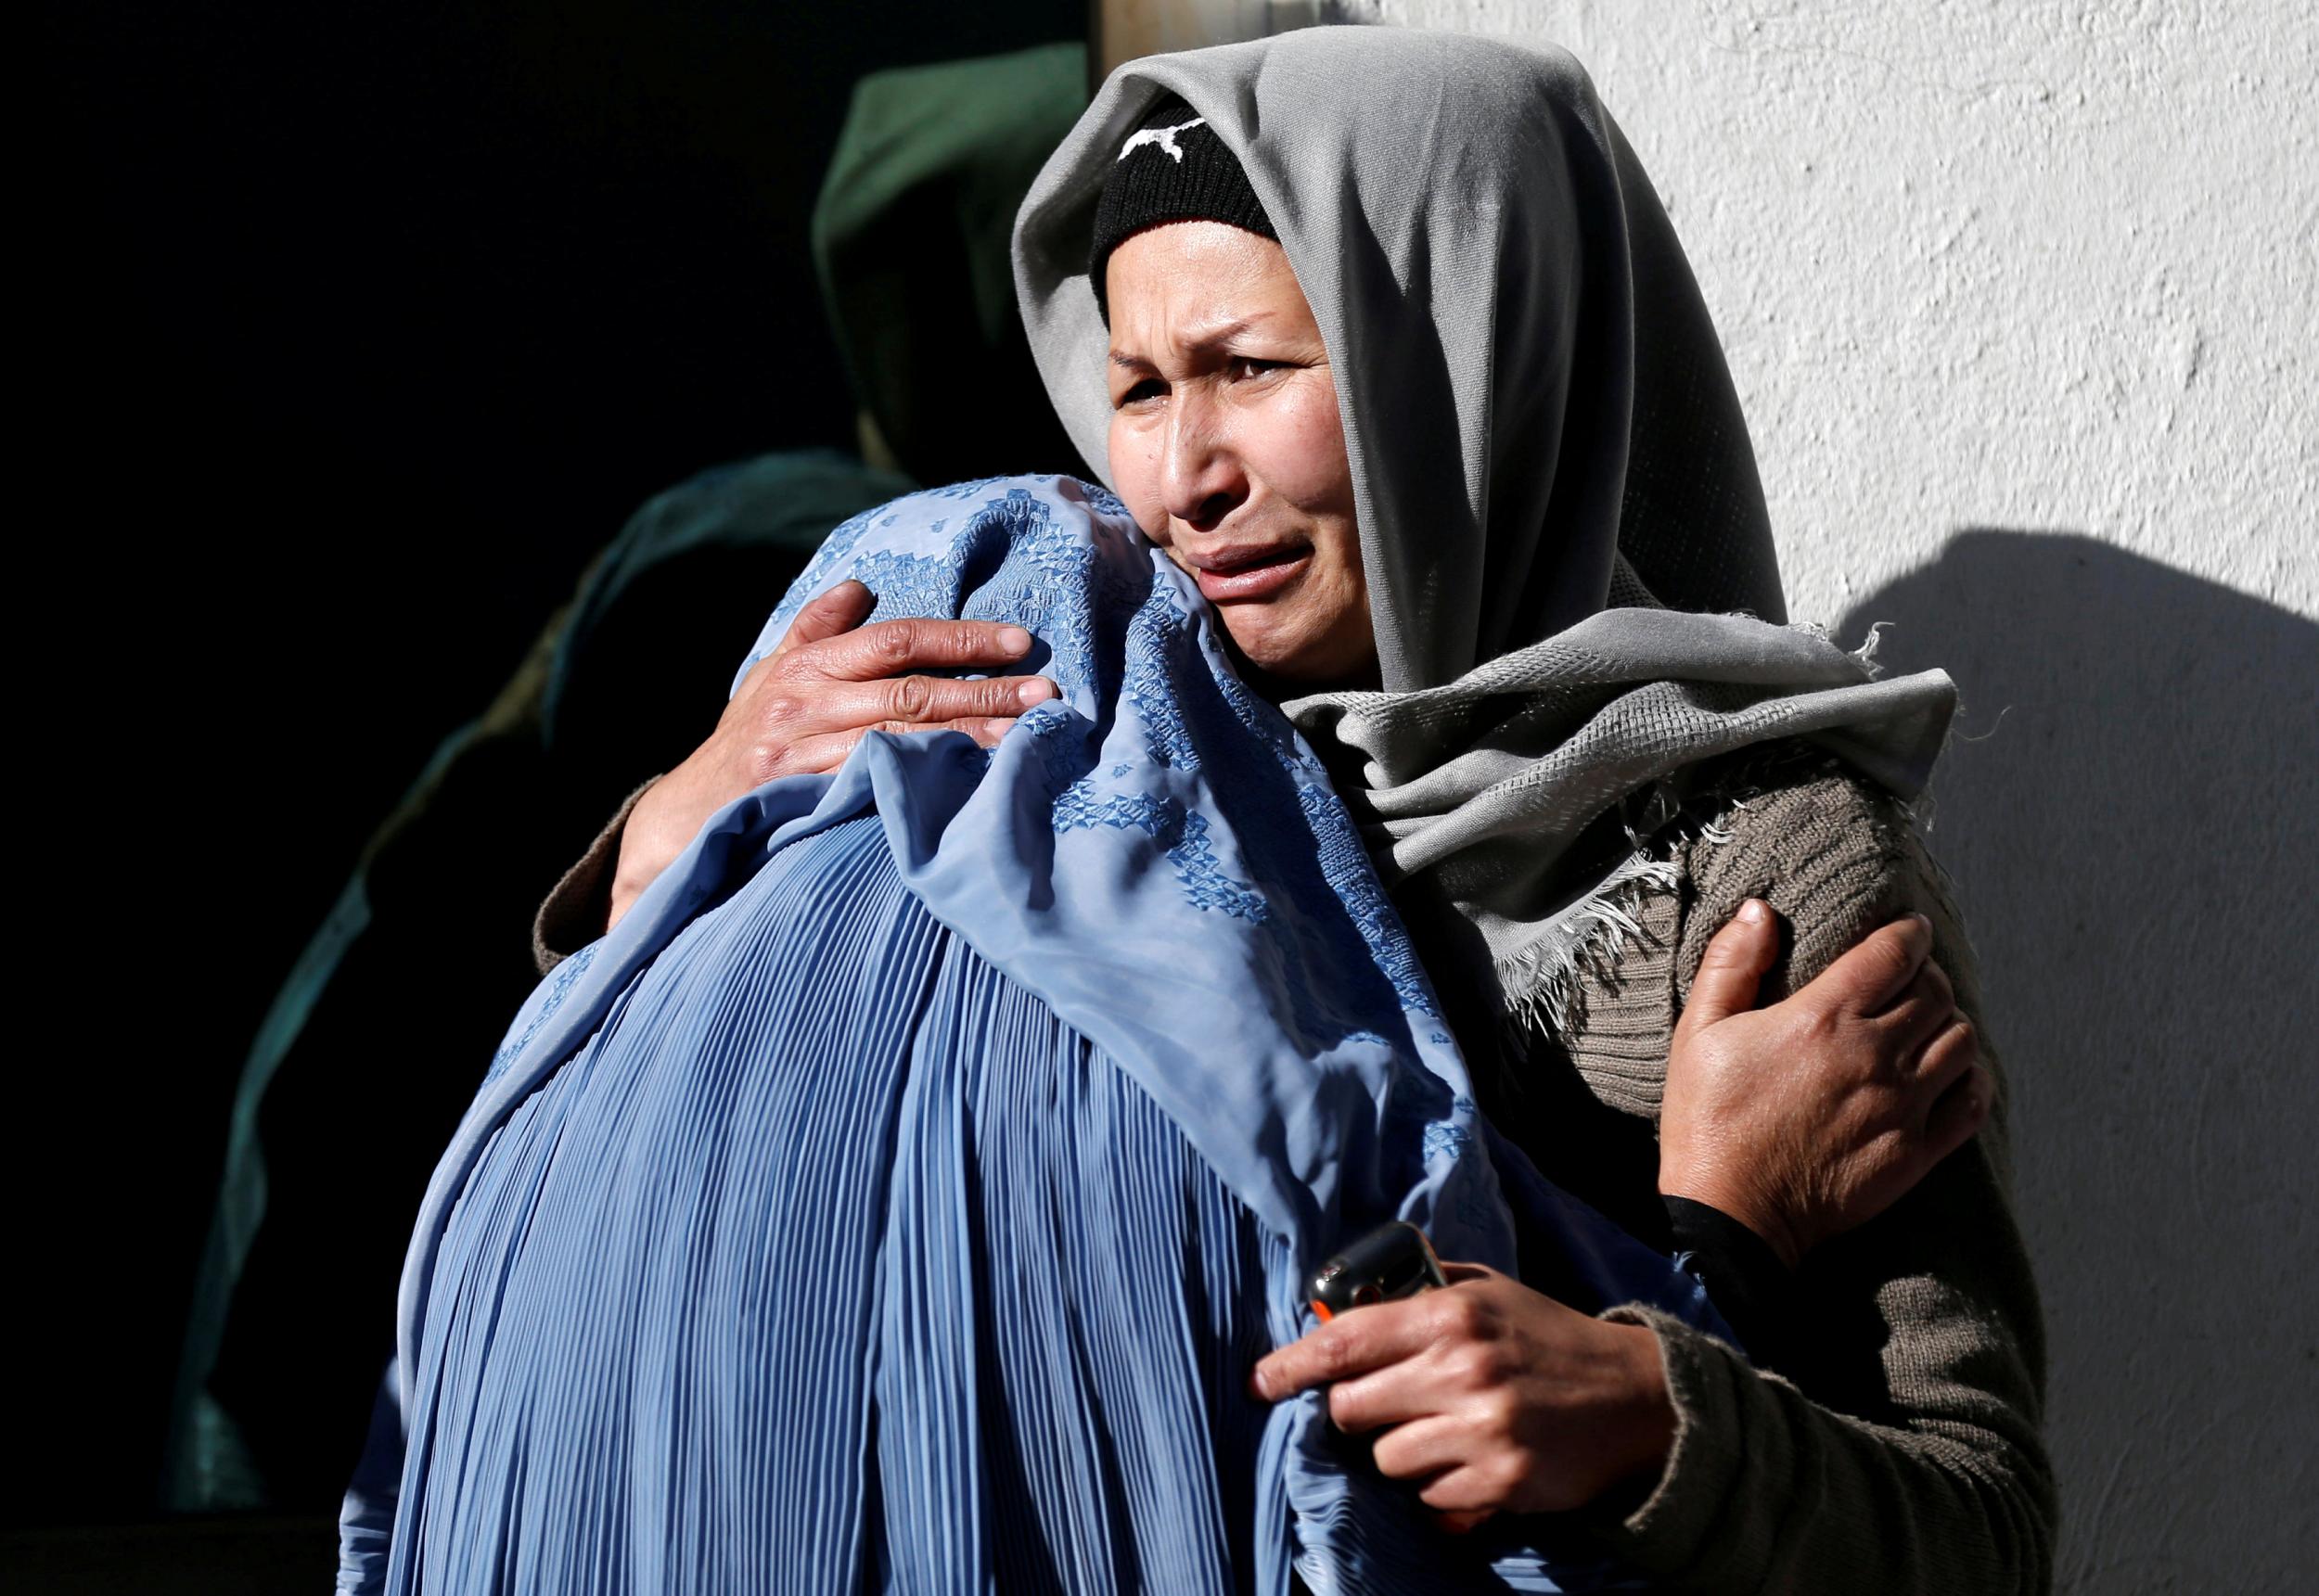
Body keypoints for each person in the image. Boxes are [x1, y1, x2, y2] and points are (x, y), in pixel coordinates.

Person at [368, 28, 2050, 1596]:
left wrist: (1655, 1398)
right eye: (1142, 387)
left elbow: (1981, 1521)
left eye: (1249, 368)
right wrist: (679, 837)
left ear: (1462, 355)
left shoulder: (1753, 852)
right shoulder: (1105, 726)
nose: (1184, 477)